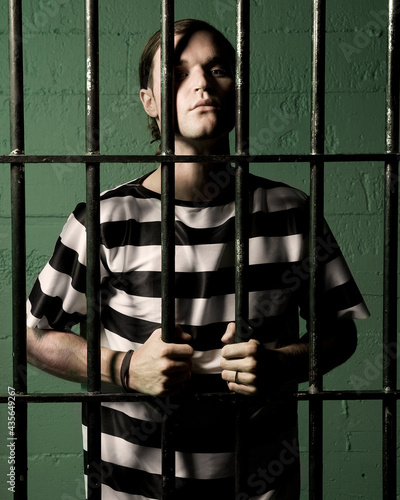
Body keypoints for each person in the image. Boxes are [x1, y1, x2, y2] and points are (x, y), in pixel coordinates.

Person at [26, 19, 369, 500]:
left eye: (218, 69)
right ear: (150, 101)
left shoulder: (292, 212)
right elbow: (33, 336)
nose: (202, 83)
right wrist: (124, 369)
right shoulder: (104, 218)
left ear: (237, 90)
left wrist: (281, 365)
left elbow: (340, 331)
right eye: (178, 73)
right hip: (132, 491)